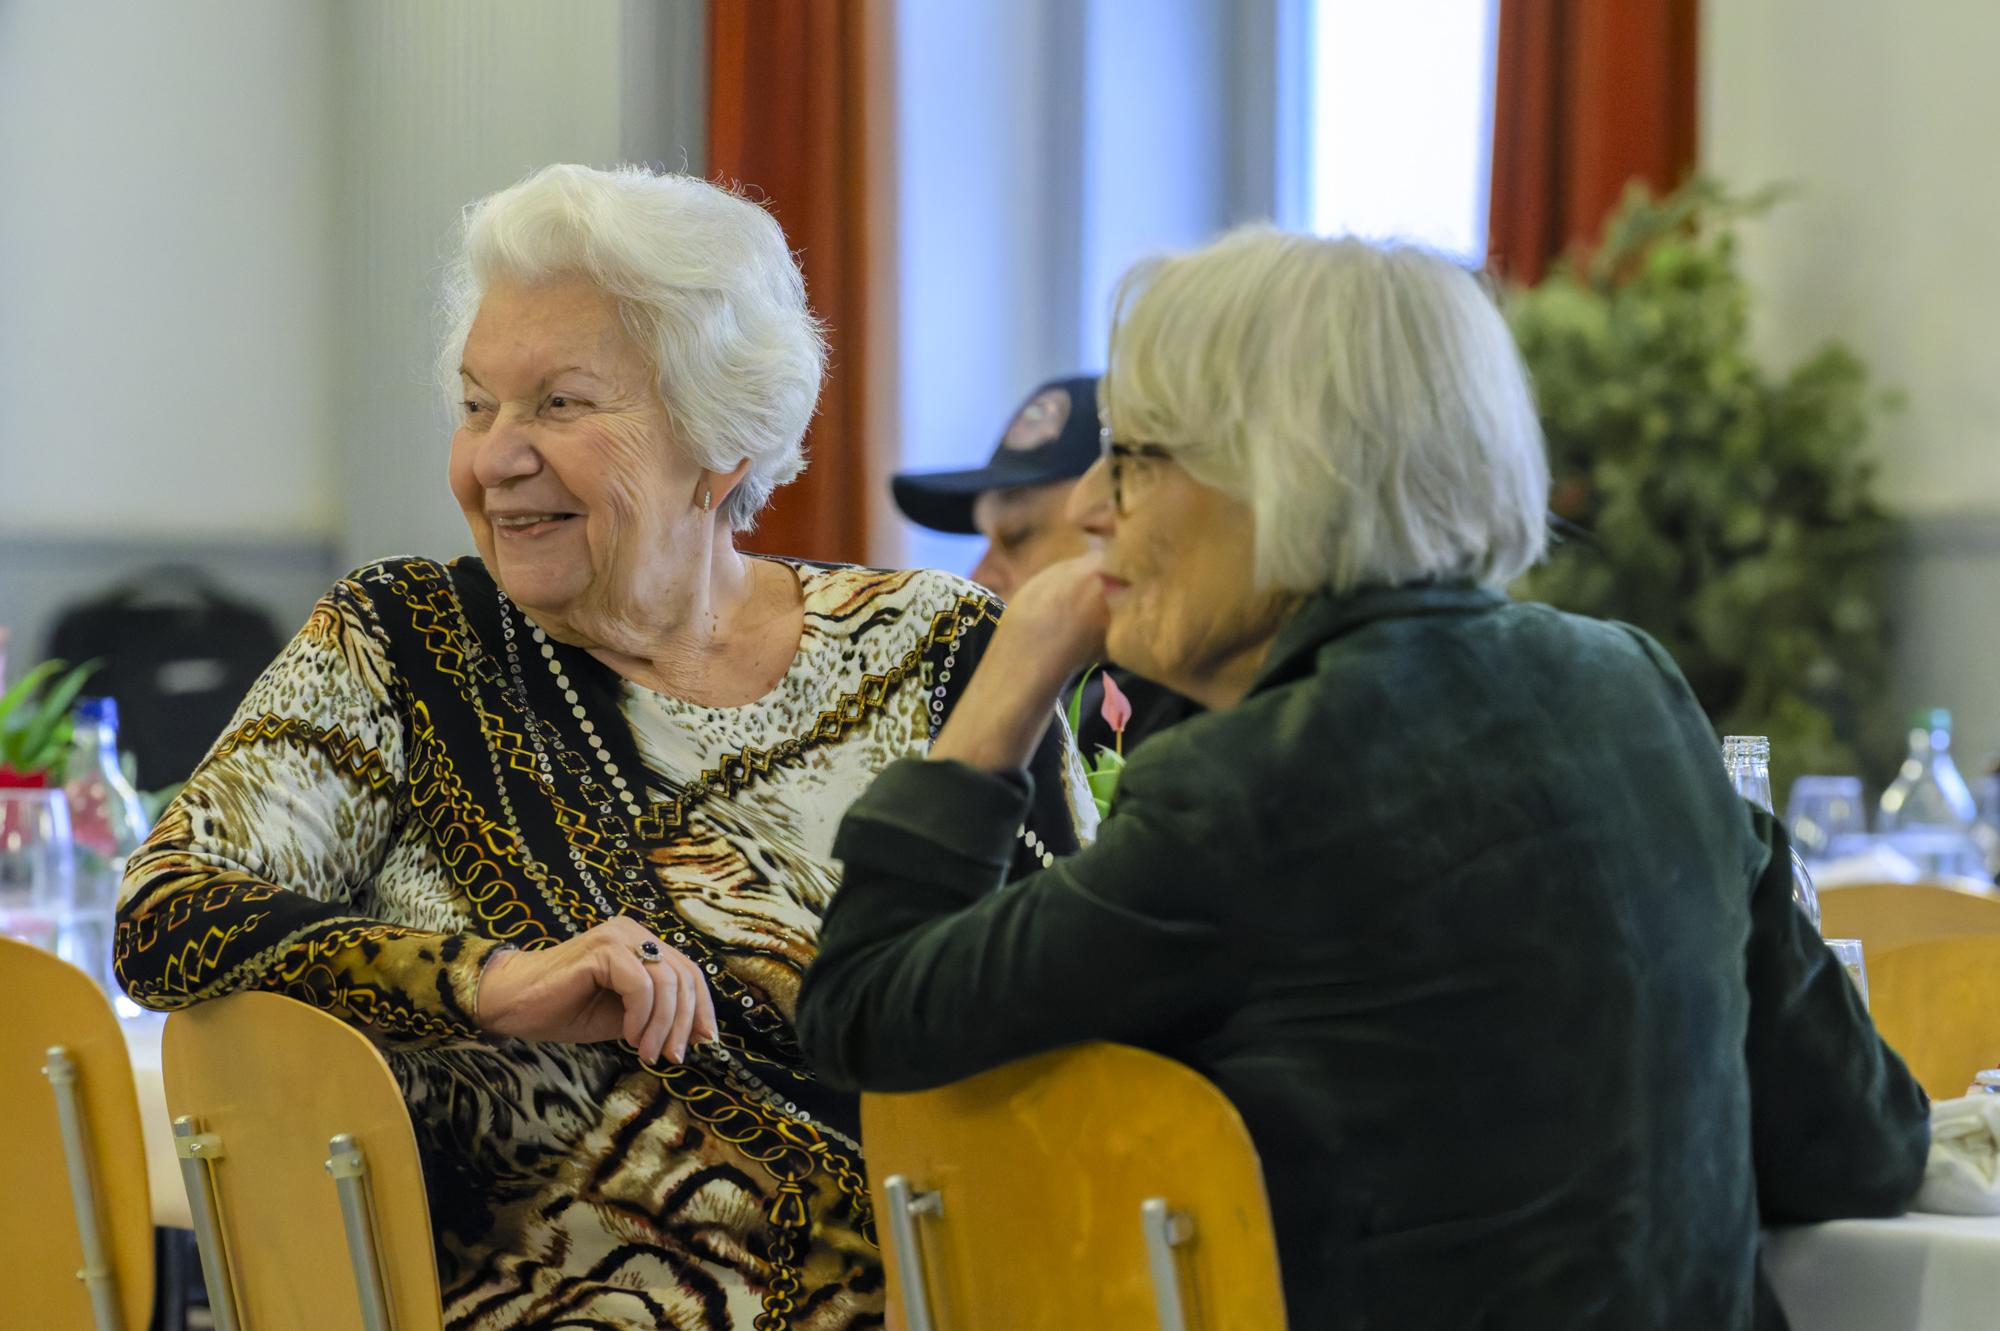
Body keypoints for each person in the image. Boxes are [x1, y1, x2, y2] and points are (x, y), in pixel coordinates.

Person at [796, 228, 1929, 1327]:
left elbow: (863, 1017)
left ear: (1280, 477)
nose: (1094, 509)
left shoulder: (1253, 783)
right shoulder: (1631, 684)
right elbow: (1859, 1143)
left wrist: (1001, 697)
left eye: (1133, 458)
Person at [115, 164, 1089, 1331]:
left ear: (718, 441)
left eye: (560, 405)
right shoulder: (405, 644)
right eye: (478, 406)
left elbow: (1073, 1014)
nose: (496, 457)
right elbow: (167, 911)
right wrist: (486, 979)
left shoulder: (936, 644)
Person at [892, 374, 1199, 760]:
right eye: (986, 541)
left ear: (1115, 522)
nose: (979, 575)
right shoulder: (1073, 697)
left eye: (1018, 536)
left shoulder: (1175, 720)